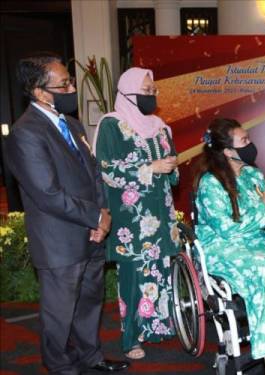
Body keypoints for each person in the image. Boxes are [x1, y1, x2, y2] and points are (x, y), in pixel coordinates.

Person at [6, 54, 129, 374]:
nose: (72, 87)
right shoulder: (26, 133)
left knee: (89, 304)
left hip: (91, 233)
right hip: (59, 239)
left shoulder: (72, 125)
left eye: (70, 81)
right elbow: (47, 194)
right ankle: (60, 366)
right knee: (59, 313)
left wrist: (103, 216)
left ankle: (91, 357)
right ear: (39, 92)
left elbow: (94, 174)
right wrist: (95, 217)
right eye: (64, 84)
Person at [194, 118, 265, 375]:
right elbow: (226, 228)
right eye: (244, 141)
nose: (250, 145)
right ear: (227, 151)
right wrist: (263, 208)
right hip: (224, 246)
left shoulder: (253, 174)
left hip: (255, 241)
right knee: (261, 271)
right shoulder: (210, 183)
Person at [93, 67, 179, 360]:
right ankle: (130, 338)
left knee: (158, 270)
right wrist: (149, 168)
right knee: (131, 276)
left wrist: (170, 167)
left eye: (153, 90)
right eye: (146, 90)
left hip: (160, 212)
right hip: (130, 217)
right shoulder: (112, 125)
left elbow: (173, 174)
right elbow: (106, 170)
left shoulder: (160, 126)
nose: (152, 95)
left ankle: (155, 327)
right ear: (128, 92)